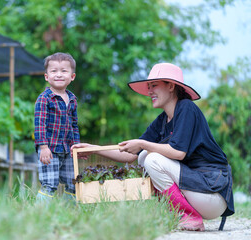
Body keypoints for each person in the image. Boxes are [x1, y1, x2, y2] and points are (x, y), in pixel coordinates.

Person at [72, 63, 234, 231]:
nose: (149, 92)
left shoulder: (186, 108)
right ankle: (177, 212)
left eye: (154, 85)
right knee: (144, 157)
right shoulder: (162, 121)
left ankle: (188, 216)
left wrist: (142, 144)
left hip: (213, 193)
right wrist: (94, 148)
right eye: (149, 87)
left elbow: (178, 153)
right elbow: (130, 155)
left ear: (171, 86)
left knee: (152, 158)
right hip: (195, 190)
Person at [34, 52, 80, 202]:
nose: (59, 75)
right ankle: (38, 214)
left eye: (64, 71)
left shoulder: (72, 99)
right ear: (46, 76)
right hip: (50, 149)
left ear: (72, 77)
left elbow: (74, 125)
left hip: (68, 149)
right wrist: (43, 147)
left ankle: (69, 211)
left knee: (73, 182)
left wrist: (77, 147)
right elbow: (39, 124)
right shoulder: (44, 98)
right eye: (54, 71)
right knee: (50, 183)